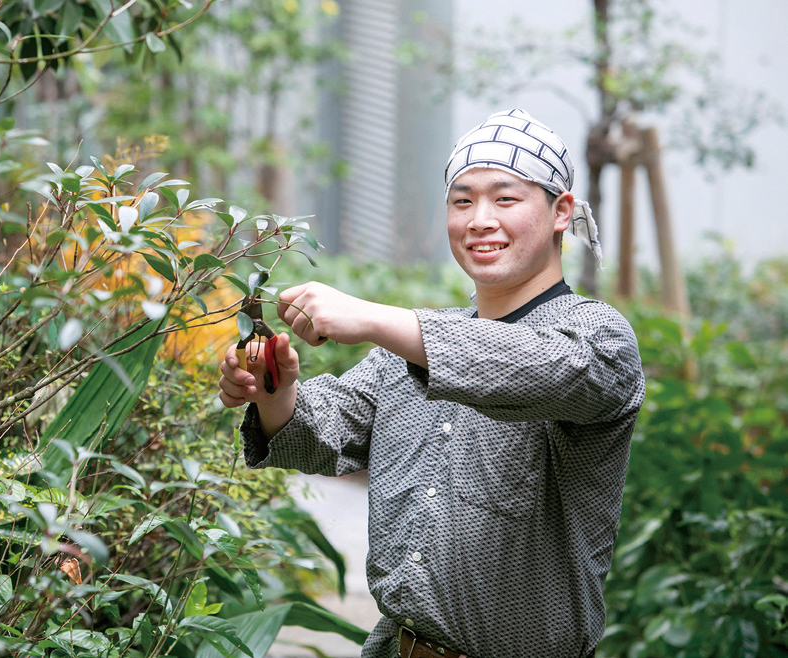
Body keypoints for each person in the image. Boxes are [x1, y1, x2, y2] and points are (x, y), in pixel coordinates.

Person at [217, 109, 645, 658]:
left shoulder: (599, 338)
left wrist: (371, 317)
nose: (479, 220)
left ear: (561, 211)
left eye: (505, 199)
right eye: (462, 202)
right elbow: (323, 431)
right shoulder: (408, 348)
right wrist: (275, 394)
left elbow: (533, 368)